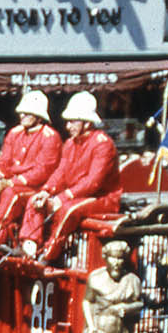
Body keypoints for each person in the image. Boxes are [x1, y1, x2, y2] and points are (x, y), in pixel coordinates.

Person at [16, 91, 121, 262]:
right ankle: (29, 245)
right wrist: (46, 191)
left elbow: (93, 182)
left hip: (102, 198)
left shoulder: (103, 144)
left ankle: (48, 254)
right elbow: (60, 172)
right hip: (74, 195)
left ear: (87, 123)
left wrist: (64, 196)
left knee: (67, 210)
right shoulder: (70, 143)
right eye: (68, 121)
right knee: (35, 200)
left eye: (73, 121)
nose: (68, 126)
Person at [0, 90, 63, 245]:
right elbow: (3, 161)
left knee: (11, 193)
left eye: (27, 113)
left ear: (38, 116)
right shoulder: (14, 133)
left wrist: (10, 183)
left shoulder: (50, 137)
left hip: (33, 187)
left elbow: (42, 172)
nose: (22, 115)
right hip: (9, 182)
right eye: (21, 112)